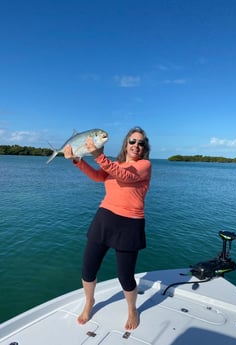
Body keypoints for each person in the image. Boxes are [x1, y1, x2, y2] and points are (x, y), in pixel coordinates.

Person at [64, 126, 151, 330]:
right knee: (88, 268)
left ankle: (132, 309)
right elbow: (97, 176)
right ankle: (89, 302)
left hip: (130, 223)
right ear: (126, 144)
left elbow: (125, 177)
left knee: (125, 276)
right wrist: (78, 160)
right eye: (132, 141)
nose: (136, 145)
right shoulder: (115, 163)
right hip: (105, 218)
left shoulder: (145, 165)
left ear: (145, 147)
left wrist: (98, 155)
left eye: (141, 143)